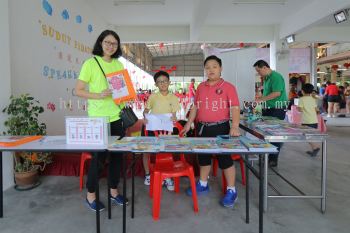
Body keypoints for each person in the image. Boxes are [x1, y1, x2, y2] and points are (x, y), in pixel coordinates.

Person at [75, 30, 128, 211]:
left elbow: (122, 90)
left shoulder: (119, 64)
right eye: (107, 42)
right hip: (98, 120)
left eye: (114, 43)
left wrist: (126, 95)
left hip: (117, 118)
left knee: (116, 159)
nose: (111, 46)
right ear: (100, 42)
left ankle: (114, 191)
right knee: (98, 159)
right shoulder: (90, 63)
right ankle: (91, 196)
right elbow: (78, 90)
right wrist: (98, 95)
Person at [181, 55, 241, 208]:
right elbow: (195, 106)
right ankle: (202, 183)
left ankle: (232, 190)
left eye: (214, 66)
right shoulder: (201, 87)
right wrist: (189, 123)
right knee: (204, 158)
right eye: (207, 67)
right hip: (202, 128)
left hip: (221, 128)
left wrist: (234, 126)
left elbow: (234, 107)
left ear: (220, 69)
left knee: (225, 160)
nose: (211, 70)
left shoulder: (228, 87)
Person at [142, 70, 180, 190]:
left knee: (165, 152)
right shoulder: (153, 96)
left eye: (165, 81)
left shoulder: (173, 98)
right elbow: (146, 111)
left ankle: (167, 177)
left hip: (166, 130)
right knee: (146, 151)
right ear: (156, 85)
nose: (162, 83)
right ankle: (148, 174)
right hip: (152, 128)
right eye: (159, 82)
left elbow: (174, 114)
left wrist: (174, 118)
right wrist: (145, 117)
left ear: (169, 82)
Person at [253, 60, 288, 167]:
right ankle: (267, 155)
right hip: (268, 108)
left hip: (277, 108)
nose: (258, 73)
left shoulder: (276, 77)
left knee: (275, 134)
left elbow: (277, 93)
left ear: (264, 68)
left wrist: (262, 99)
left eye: (259, 70)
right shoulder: (267, 78)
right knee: (266, 133)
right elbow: (268, 91)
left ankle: (273, 158)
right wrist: (261, 95)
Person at [297, 83, 320, 157]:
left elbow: (300, 109)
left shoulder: (301, 99)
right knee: (309, 136)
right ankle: (314, 148)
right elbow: (317, 109)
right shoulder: (313, 99)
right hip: (314, 120)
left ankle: (316, 147)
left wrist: (298, 108)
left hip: (306, 121)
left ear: (302, 91)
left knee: (306, 136)